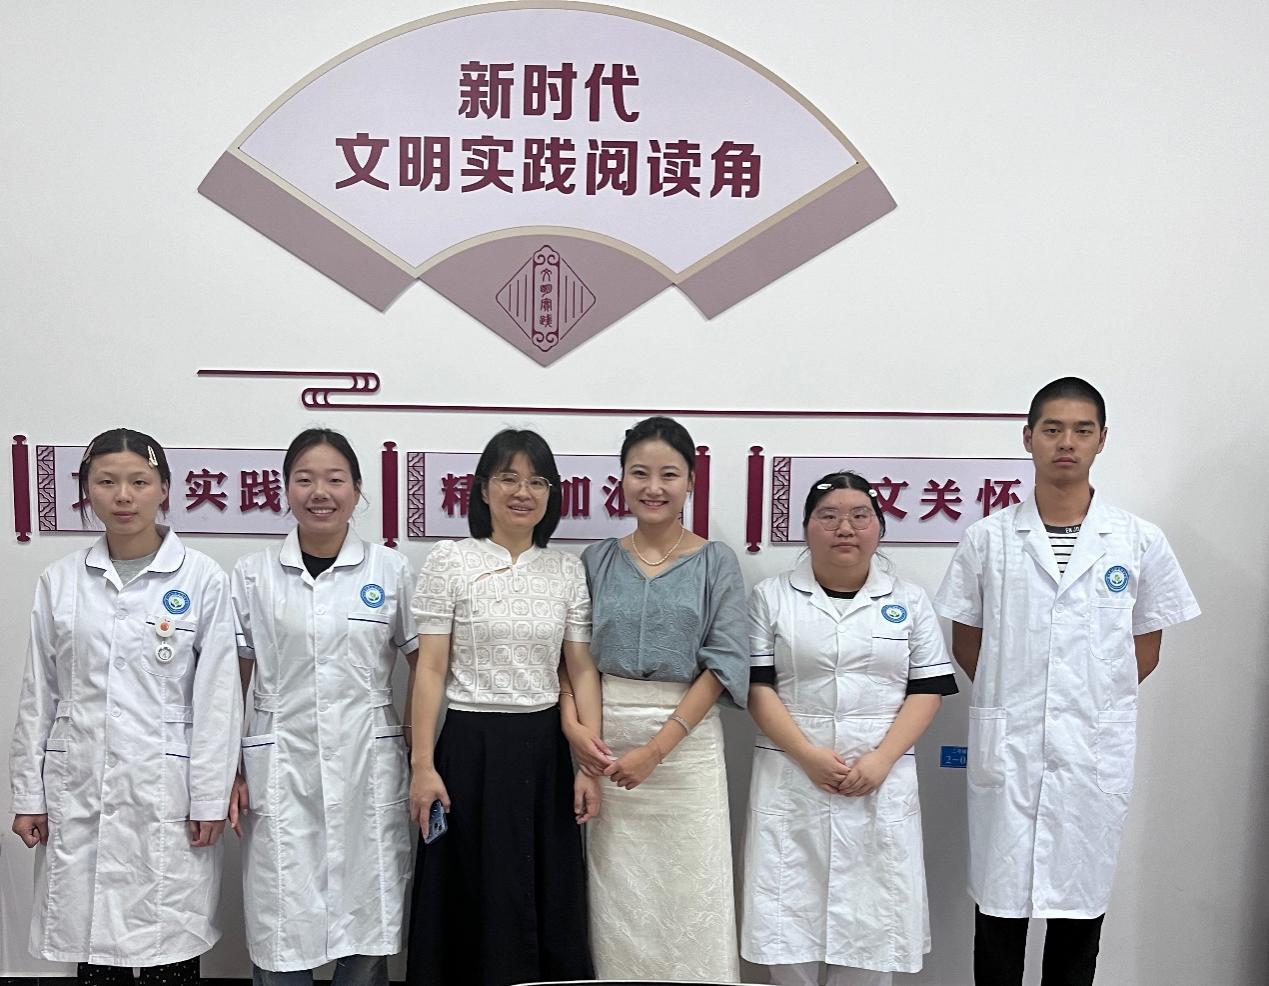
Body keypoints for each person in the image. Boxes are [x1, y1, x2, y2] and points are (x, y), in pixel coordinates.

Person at [933, 377, 1200, 986]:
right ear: (1028, 437)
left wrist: (1087, 700)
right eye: (1053, 429)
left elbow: (1146, 647)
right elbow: (968, 642)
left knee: (1078, 915)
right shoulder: (988, 539)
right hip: (1010, 750)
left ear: (1102, 440)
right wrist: (1018, 697)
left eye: (1082, 430)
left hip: (1090, 753)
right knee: (998, 911)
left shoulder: (1137, 540)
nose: (1067, 443)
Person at [9, 428, 241, 986]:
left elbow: (217, 699)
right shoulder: (61, 581)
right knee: (92, 939)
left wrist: (210, 797)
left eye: (139, 482)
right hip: (80, 783)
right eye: (106, 482)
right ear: (86, 491)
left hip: (167, 789)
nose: (123, 496)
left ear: (164, 490)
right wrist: (28, 794)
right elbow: (39, 693)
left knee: (168, 939)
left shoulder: (202, 578)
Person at [741, 471, 957, 986]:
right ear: (806, 528)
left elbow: (927, 690)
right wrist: (806, 754)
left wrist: (881, 759)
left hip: (880, 775)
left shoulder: (910, 600)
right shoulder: (771, 598)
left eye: (860, 516)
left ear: (879, 527)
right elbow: (757, 687)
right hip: (793, 775)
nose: (845, 528)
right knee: (787, 923)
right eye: (829, 516)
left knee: (872, 929)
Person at [406, 428, 603, 986]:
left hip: (544, 751)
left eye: (537, 481)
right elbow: (431, 669)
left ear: (552, 494)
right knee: (467, 892)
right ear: (483, 489)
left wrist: (590, 765)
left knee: (543, 891)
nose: (523, 492)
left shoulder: (566, 570)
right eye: (508, 478)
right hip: (468, 748)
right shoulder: (450, 560)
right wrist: (423, 765)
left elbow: (581, 668)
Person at [560, 415, 748, 982]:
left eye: (669, 474)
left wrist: (656, 749)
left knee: (691, 889)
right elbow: (572, 658)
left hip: (685, 748)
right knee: (618, 896)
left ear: (691, 481)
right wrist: (579, 739)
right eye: (639, 473)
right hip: (606, 742)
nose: (654, 487)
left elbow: (723, 663)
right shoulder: (596, 561)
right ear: (621, 479)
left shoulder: (716, 562)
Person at [230, 428, 418, 986]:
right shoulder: (253, 574)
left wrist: (421, 749)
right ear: (285, 489)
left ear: (356, 489)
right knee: (281, 921)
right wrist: (228, 767)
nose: (320, 493)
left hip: (367, 761)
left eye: (335, 480)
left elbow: (427, 668)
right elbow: (232, 680)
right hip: (280, 760)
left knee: (367, 915)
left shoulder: (389, 571)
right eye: (305, 479)